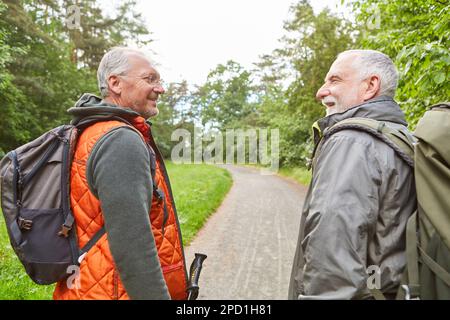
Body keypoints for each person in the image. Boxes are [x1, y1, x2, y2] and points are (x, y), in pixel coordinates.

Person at [53, 47, 188, 300]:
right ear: (115, 83)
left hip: (87, 287)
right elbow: (133, 246)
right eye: (150, 79)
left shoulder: (93, 131)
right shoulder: (121, 140)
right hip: (113, 292)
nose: (160, 88)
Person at [288, 49, 417, 300]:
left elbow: (332, 259)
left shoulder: (352, 141)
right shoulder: (401, 139)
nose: (321, 91)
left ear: (370, 86)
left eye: (334, 80)